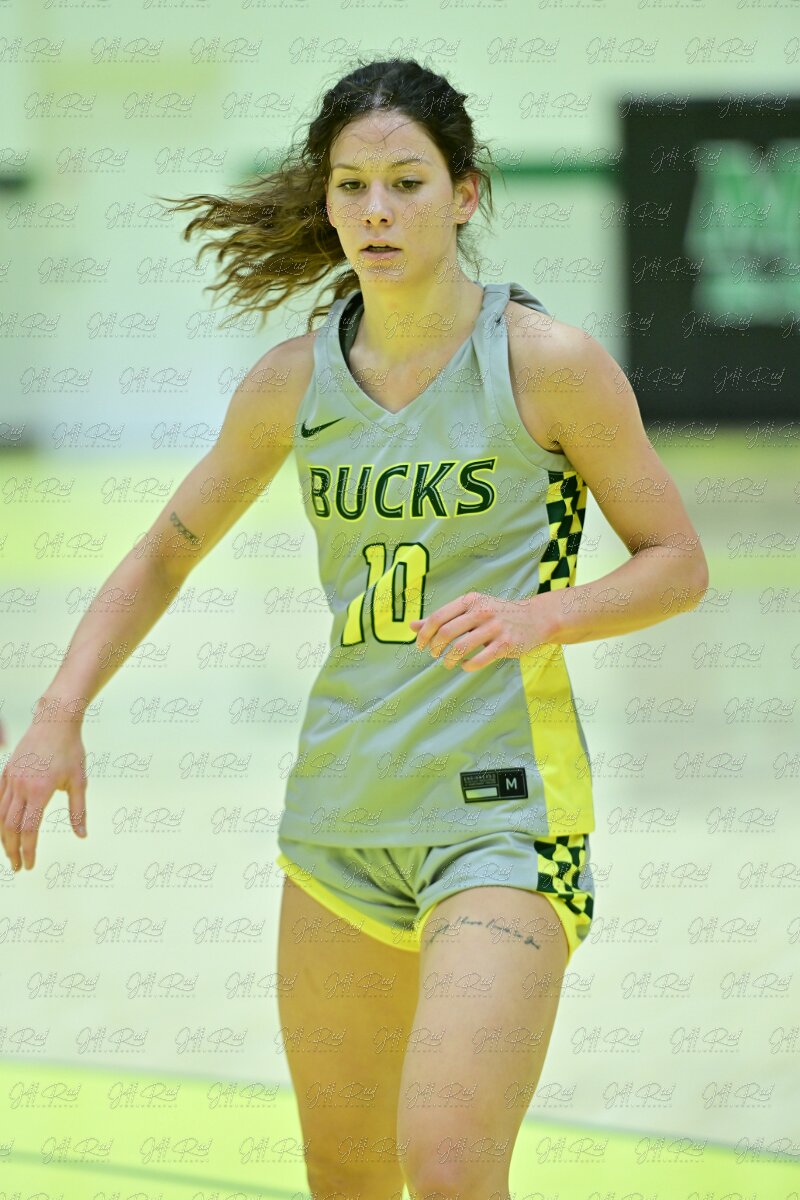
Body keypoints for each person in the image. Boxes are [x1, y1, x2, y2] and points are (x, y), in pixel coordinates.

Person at [0, 57, 709, 1200]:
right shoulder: (293, 382)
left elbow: (677, 561)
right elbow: (166, 550)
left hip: (501, 816)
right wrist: (56, 712)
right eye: (351, 186)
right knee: (345, 1177)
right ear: (325, 199)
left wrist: (540, 615)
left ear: (463, 194)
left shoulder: (545, 363)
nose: (376, 210)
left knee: (447, 1165)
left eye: (405, 184)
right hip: (338, 817)